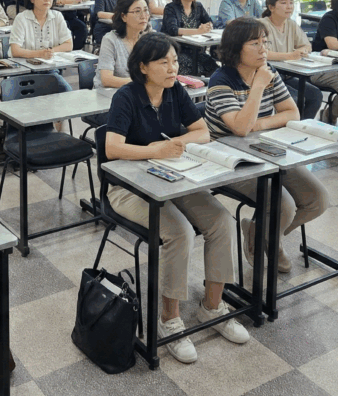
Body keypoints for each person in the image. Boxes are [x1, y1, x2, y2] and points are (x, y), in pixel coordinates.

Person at [103, 33, 247, 363]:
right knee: (178, 232)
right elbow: (112, 148)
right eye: (163, 62)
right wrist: (154, 150)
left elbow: (202, 132)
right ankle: (169, 319)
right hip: (128, 187)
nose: (173, 68)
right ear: (142, 67)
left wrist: (175, 144)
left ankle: (212, 306)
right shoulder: (126, 96)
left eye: (175, 61)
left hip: (174, 178)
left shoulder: (175, 91)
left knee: (222, 221)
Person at [205, 17, 327, 273]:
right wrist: (258, 86)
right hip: (228, 159)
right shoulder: (221, 80)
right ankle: (268, 238)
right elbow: (238, 129)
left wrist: (257, 124)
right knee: (283, 205)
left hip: (264, 148)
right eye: (255, 43)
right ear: (236, 48)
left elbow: (292, 113)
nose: (263, 49)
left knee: (317, 199)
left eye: (265, 42)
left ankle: (263, 236)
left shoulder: (267, 70)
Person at [260, 0, 322, 120]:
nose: (289, 7)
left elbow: (306, 45)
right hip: (268, 76)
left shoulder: (291, 24)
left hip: (288, 74)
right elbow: (263, 53)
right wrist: (290, 55)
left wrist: (302, 51)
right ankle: (290, 129)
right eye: (283, 3)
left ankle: (303, 127)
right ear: (271, 7)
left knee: (315, 95)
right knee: (294, 99)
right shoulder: (262, 25)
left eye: (291, 3)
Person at [10, 0, 74, 93]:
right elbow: (15, 50)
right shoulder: (21, 18)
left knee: (67, 90)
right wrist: (39, 54)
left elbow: (68, 45)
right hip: (24, 71)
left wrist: (50, 52)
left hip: (49, 70)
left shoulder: (57, 16)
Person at [95, 0, 151, 89]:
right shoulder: (110, 40)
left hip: (138, 93)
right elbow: (106, 80)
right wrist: (143, 81)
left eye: (146, 10)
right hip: (109, 95)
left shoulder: (149, 38)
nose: (144, 16)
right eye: (137, 11)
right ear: (123, 16)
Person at [162, 0, 217, 76]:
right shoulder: (171, 8)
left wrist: (208, 26)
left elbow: (209, 21)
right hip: (178, 52)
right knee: (195, 69)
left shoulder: (198, 7)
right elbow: (173, 30)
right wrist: (198, 31)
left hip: (197, 51)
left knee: (215, 69)